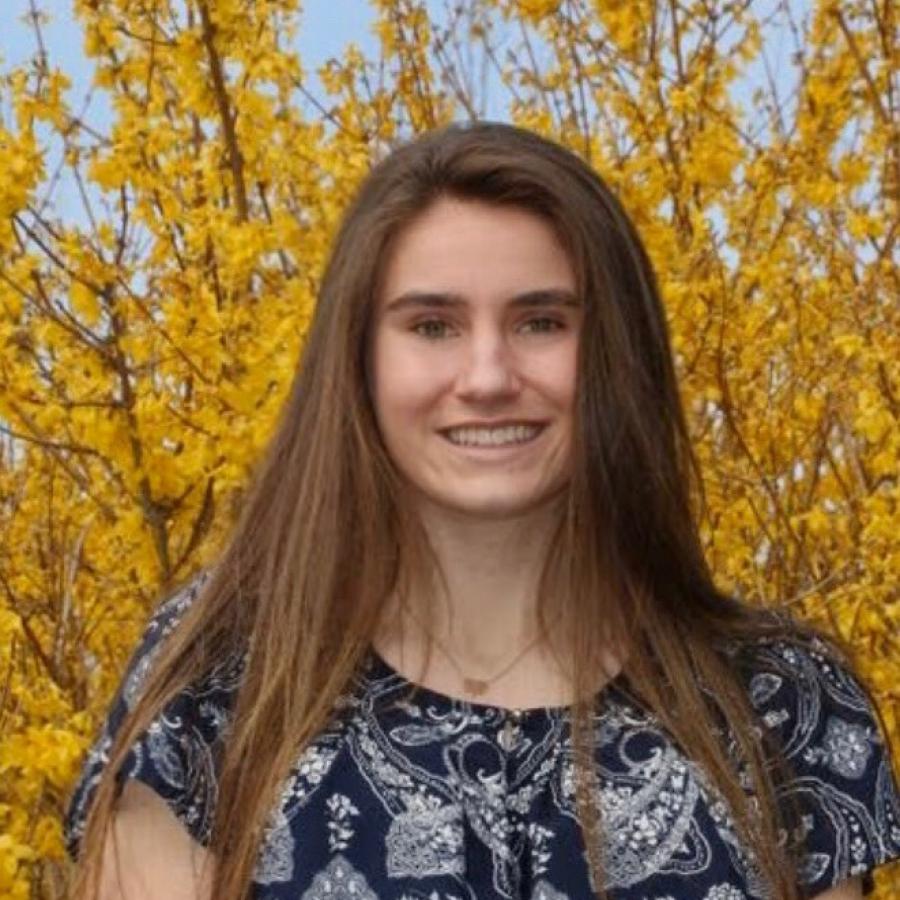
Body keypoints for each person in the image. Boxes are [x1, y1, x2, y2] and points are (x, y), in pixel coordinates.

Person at [64, 121, 900, 900]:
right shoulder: (215, 694)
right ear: (358, 360)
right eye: (432, 326)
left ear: (616, 351)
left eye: (541, 321)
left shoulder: (778, 705)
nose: (490, 375)